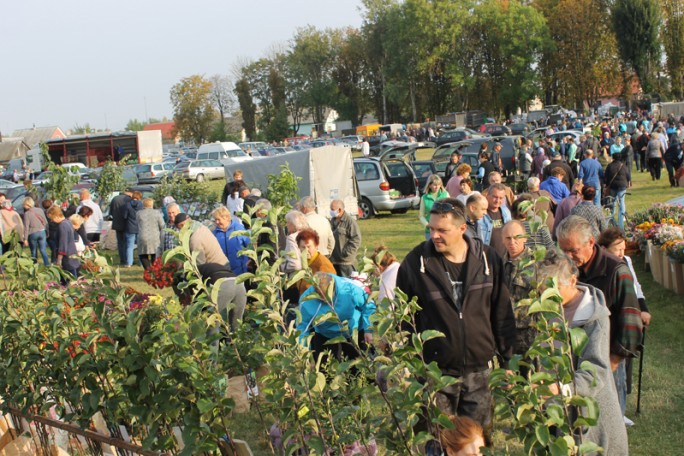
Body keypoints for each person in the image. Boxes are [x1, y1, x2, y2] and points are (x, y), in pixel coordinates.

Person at [396, 197, 515, 441]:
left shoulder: (488, 260)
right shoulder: (415, 263)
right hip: (435, 374)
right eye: (431, 229)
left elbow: (501, 311)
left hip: (478, 373)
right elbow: (403, 321)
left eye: (442, 230)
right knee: (437, 442)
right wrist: (410, 364)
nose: (434, 236)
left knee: (476, 443)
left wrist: (508, 359)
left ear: (462, 229)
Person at [536, 250, 629, 454]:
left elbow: (595, 372)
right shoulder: (548, 310)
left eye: (554, 287)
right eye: (543, 288)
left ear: (572, 280)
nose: (548, 294)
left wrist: (562, 388)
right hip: (557, 411)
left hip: (591, 412)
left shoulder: (594, 316)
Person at [556, 216, 643, 420]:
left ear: (591, 243)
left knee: (608, 417)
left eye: (573, 250)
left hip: (607, 359)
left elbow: (631, 321)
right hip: (575, 361)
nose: (568, 256)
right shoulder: (566, 268)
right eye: (563, 250)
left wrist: (613, 361)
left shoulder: (615, 270)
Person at [297, 272, 375, 363]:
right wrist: (304, 353)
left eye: (328, 297)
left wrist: (368, 329)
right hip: (325, 335)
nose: (326, 301)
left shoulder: (349, 289)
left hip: (353, 331)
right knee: (325, 370)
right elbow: (302, 327)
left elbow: (368, 305)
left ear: (333, 288)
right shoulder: (306, 301)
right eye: (321, 298)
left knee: (360, 367)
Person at [501, 220, 536, 356]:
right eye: (508, 238)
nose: (512, 242)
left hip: (530, 335)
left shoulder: (536, 263)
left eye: (517, 237)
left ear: (525, 238)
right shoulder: (499, 265)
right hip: (507, 334)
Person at [295, 228, 336, 295]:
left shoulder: (323, 264)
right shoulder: (306, 261)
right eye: (303, 247)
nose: (306, 250)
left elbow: (327, 291)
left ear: (316, 246)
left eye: (309, 247)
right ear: (299, 247)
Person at [47, 205, 80, 281]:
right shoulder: (68, 222)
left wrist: (59, 260)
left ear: (56, 216)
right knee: (72, 277)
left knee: (69, 280)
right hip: (72, 254)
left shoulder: (62, 226)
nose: (51, 221)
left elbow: (63, 243)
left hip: (67, 258)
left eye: (51, 219)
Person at [329, 199, 361, 277]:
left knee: (347, 284)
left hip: (345, 262)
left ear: (339, 209)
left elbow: (356, 239)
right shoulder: (332, 221)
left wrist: (346, 253)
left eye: (332, 209)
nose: (330, 211)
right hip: (334, 261)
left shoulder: (350, 222)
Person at [478, 183, 512, 257]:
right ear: (487, 195)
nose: (497, 201)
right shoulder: (480, 213)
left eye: (501, 198)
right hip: (487, 257)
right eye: (495, 197)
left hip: (504, 257)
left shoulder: (506, 211)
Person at [136, 198, 165, 270]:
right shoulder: (157, 213)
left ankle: (148, 270)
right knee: (155, 254)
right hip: (155, 236)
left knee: (143, 254)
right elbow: (162, 225)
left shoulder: (139, 213)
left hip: (143, 236)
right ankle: (155, 270)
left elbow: (137, 223)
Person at [604, 153, 630, 229]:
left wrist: (606, 185)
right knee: (622, 202)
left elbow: (606, 177)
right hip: (622, 186)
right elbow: (628, 176)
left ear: (613, 158)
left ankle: (612, 218)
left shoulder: (610, 166)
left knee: (613, 201)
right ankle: (620, 222)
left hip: (613, 186)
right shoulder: (623, 166)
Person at [419, 175, 449, 240]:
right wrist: (427, 225)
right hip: (430, 230)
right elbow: (421, 215)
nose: (437, 187)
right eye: (434, 185)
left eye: (438, 184)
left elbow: (450, 211)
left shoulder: (446, 194)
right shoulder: (424, 198)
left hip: (443, 228)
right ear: (429, 185)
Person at [22, 196, 50, 265]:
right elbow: (45, 221)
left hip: (33, 233)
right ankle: (47, 264)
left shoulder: (27, 214)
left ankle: (34, 265)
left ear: (26, 204)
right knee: (43, 250)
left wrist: (25, 239)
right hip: (42, 231)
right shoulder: (40, 210)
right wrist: (47, 231)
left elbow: (26, 227)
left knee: (33, 251)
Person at [110, 189, 133, 265]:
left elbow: (111, 212)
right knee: (127, 242)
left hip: (116, 223)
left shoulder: (115, 199)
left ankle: (122, 259)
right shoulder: (129, 199)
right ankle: (127, 259)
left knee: (120, 242)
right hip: (126, 223)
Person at [123, 191, 143, 267]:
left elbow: (124, 216)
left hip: (130, 227)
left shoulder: (127, 205)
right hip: (139, 227)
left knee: (130, 246)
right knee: (140, 246)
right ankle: (141, 262)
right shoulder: (141, 205)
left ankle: (129, 263)